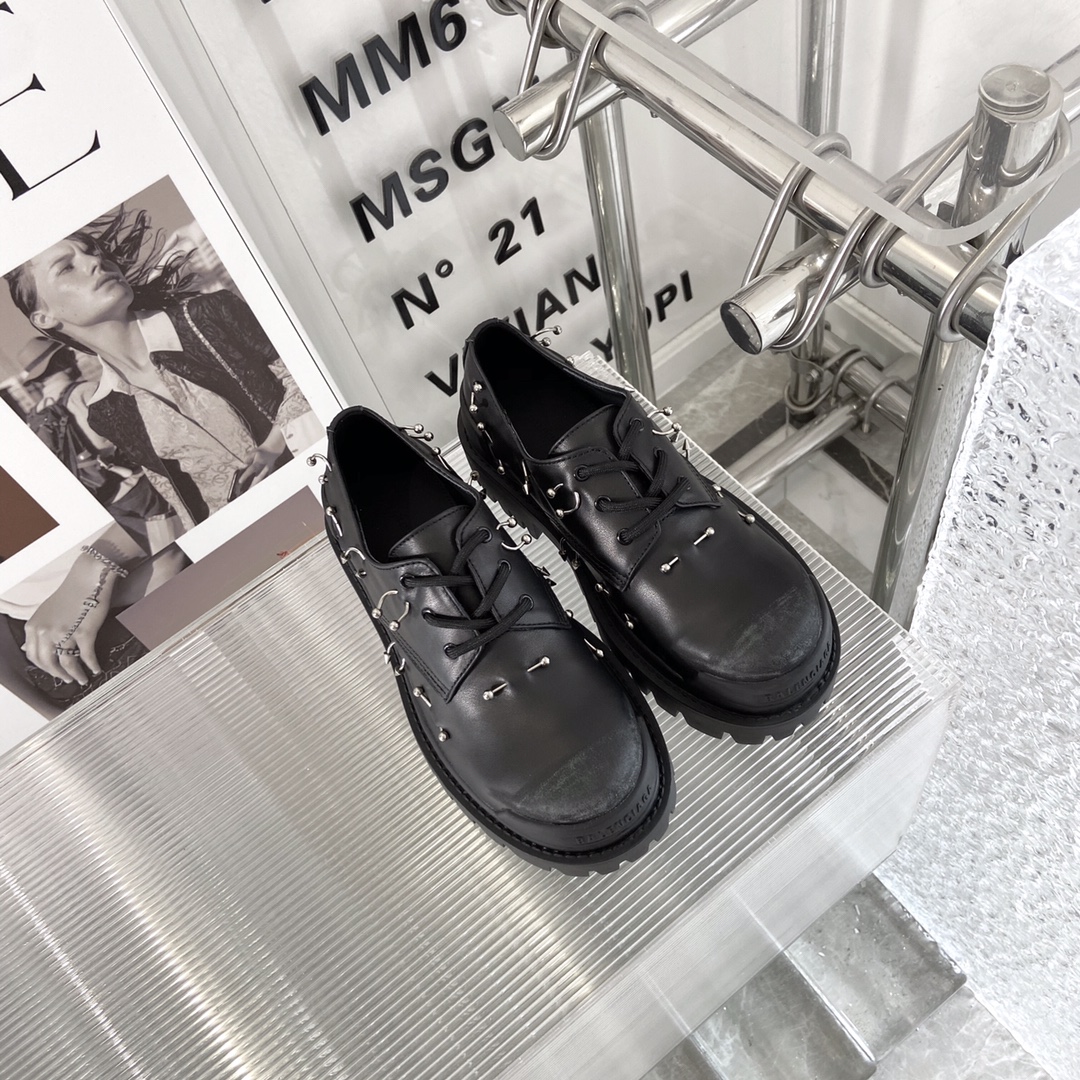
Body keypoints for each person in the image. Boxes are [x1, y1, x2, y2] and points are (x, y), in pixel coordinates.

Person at [4, 207, 315, 532]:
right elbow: (177, 495)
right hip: (255, 534)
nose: (95, 262)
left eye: (92, 252)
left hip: (319, 482)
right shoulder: (105, 411)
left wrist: (275, 443)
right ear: (44, 318)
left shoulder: (208, 315)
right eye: (67, 268)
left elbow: (310, 374)